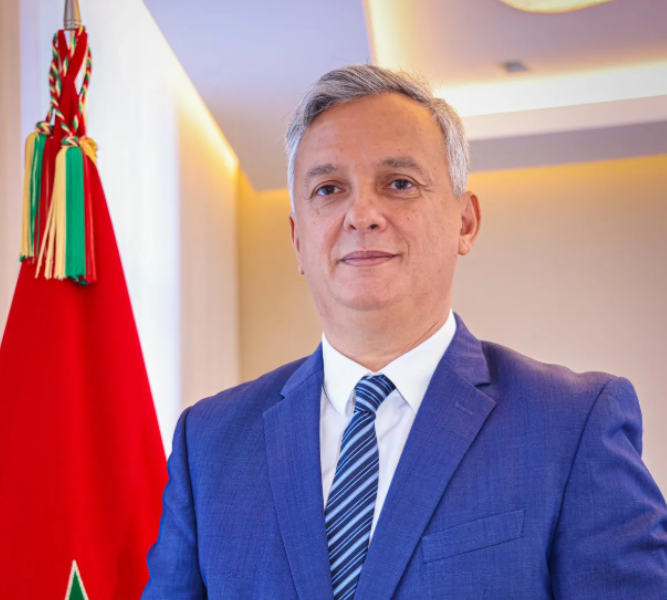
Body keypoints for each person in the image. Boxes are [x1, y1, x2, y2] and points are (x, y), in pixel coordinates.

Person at [141, 65, 667, 599]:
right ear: (298, 240)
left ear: (465, 222)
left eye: (399, 183)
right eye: (329, 188)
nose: (362, 214)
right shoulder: (208, 443)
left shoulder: (573, 422)